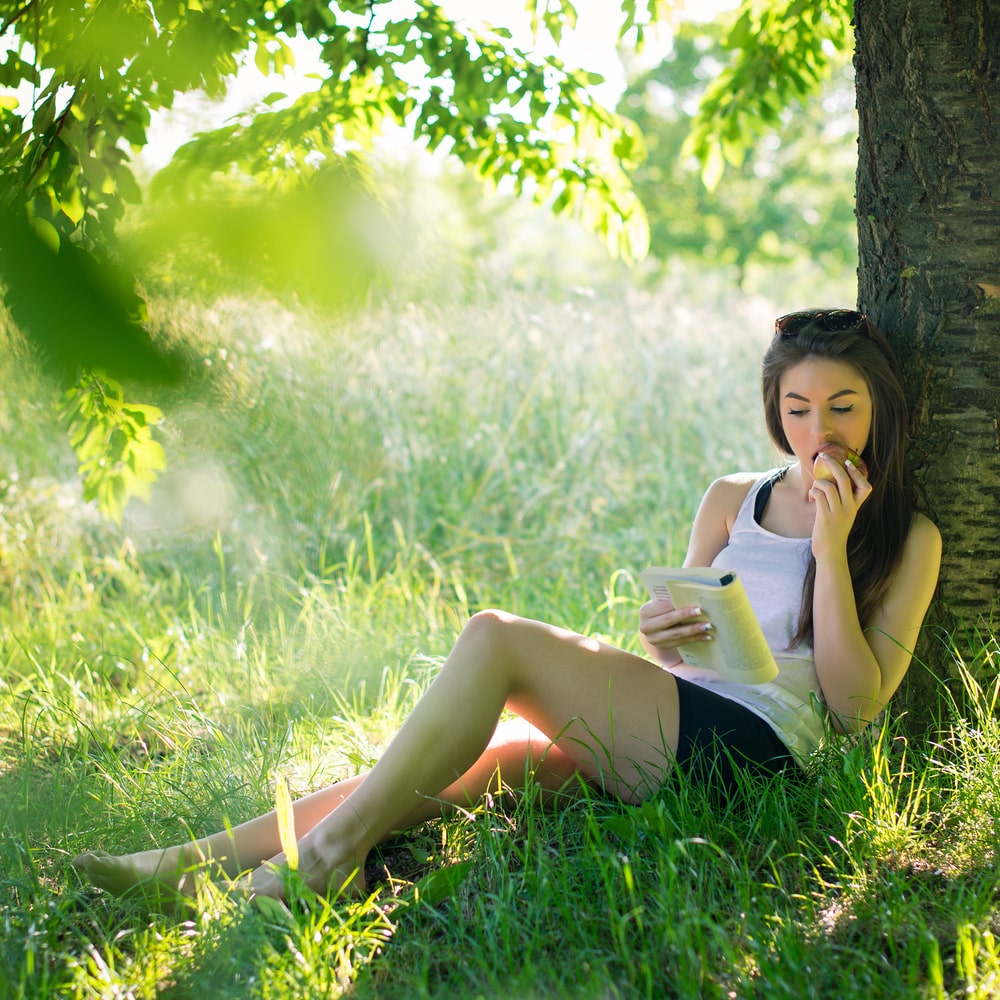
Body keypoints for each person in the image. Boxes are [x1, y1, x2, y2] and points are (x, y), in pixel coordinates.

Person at [73, 308, 942, 904]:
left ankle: (334, 857)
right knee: (494, 757)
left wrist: (830, 550)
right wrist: (660, 633)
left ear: (878, 411)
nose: (817, 430)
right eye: (797, 408)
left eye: (842, 408)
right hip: (680, 715)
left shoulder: (907, 537)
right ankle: (185, 863)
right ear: (773, 411)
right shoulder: (729, 497)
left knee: (497, 637)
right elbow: (680, 652)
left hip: (759, 755)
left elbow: (855, 708)